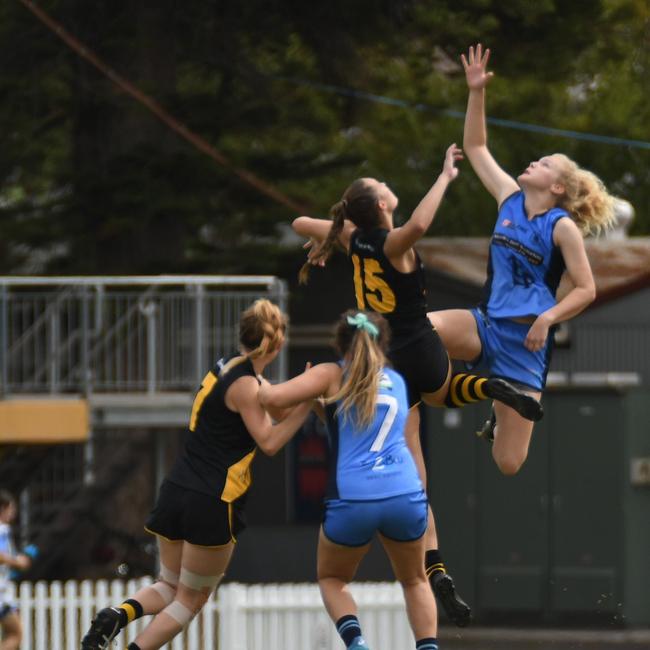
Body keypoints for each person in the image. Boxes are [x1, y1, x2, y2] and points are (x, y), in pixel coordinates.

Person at [292, 144, 542, 626]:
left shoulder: (355, 240)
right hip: (420, 346)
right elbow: (420, 227)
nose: (388, 186)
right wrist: (445, 175)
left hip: (385, 361)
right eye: (382, 187)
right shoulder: (390, 243)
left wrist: (326, 239)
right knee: (448, 386)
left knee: (414, 476)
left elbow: (303, 223)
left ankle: (435, 564)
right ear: (382, 205)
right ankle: (488, 389)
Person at [427, 44, 617, 475]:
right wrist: (476, 91)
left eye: (544, 162)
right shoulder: (509, 198)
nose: (534, 162)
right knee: (422, 331)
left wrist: (547, 319)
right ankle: (481, 387)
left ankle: (495, 399)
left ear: (557, 189)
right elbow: (475, 146)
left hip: (525, 343)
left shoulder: (561, 226)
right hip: (486, 323)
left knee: (508, 463)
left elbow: (587, 288)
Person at [80, 299, 312, 650]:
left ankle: (117, 614)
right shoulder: (248, 385)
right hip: (213, 499)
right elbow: (268, 440)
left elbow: (272, 401)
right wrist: (308, 404)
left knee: (168, 585)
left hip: (176, 488)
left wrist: (302, 391)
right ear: (277, 344)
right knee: (190, 600)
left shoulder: (226, 366)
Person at [259, 309, 439, 650]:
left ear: (338, 344)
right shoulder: (398, 381)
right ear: (382, 343)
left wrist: (258, 378)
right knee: (415, 579)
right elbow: (349, 421)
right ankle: (428, 647)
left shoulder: (330, 374)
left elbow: (272, 401)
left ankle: (357, 643)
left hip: (353, 497)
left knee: (332, 578)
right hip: (405, 492)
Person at [0, 491, 33, 650]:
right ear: (4, 508)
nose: (13, 513)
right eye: (11, 509)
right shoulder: (2, 529)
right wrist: (17, 562)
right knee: (16, 634)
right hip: (0, 593)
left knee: (12, 634)